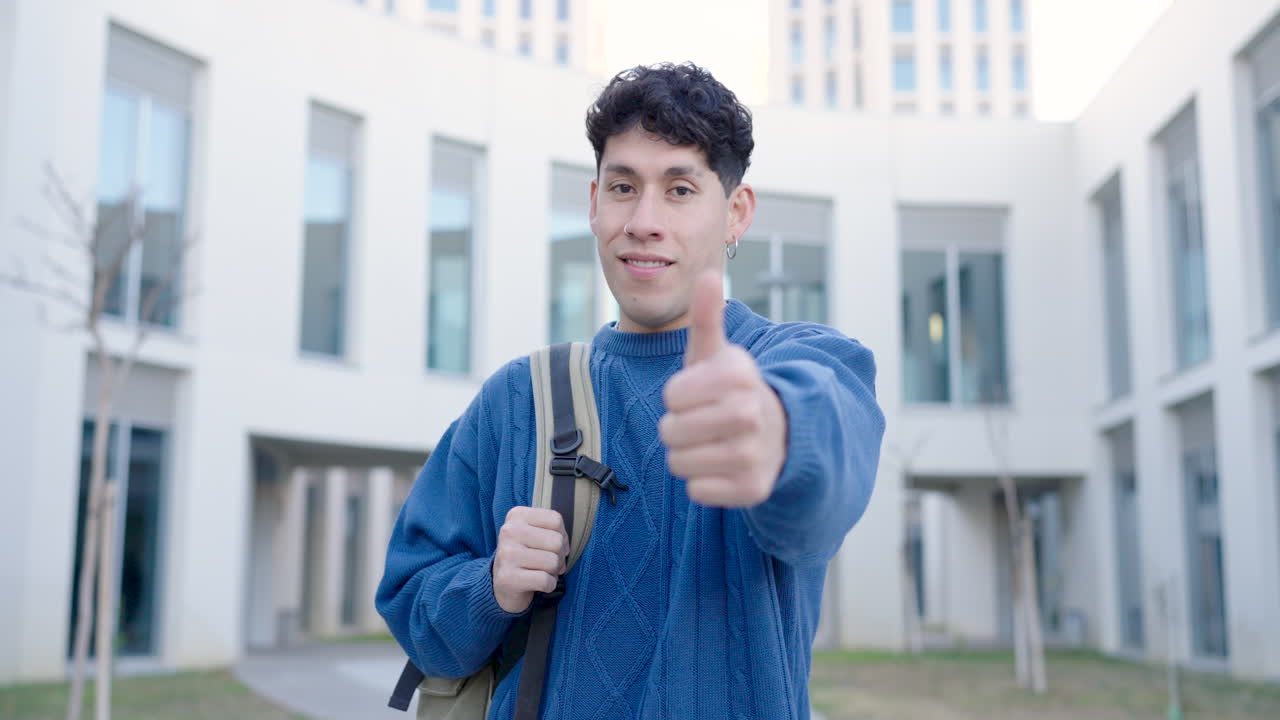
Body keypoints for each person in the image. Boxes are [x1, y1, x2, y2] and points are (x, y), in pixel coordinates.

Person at [377, 61, 884, 720]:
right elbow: (415, 612)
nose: (643, 221)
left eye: (679, 189)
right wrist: (490, 586)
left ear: (736, 213)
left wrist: (776, 431)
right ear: (594, 205)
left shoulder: (803, 363)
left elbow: (829, 472)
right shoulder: (517, 400)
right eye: (623, 187)